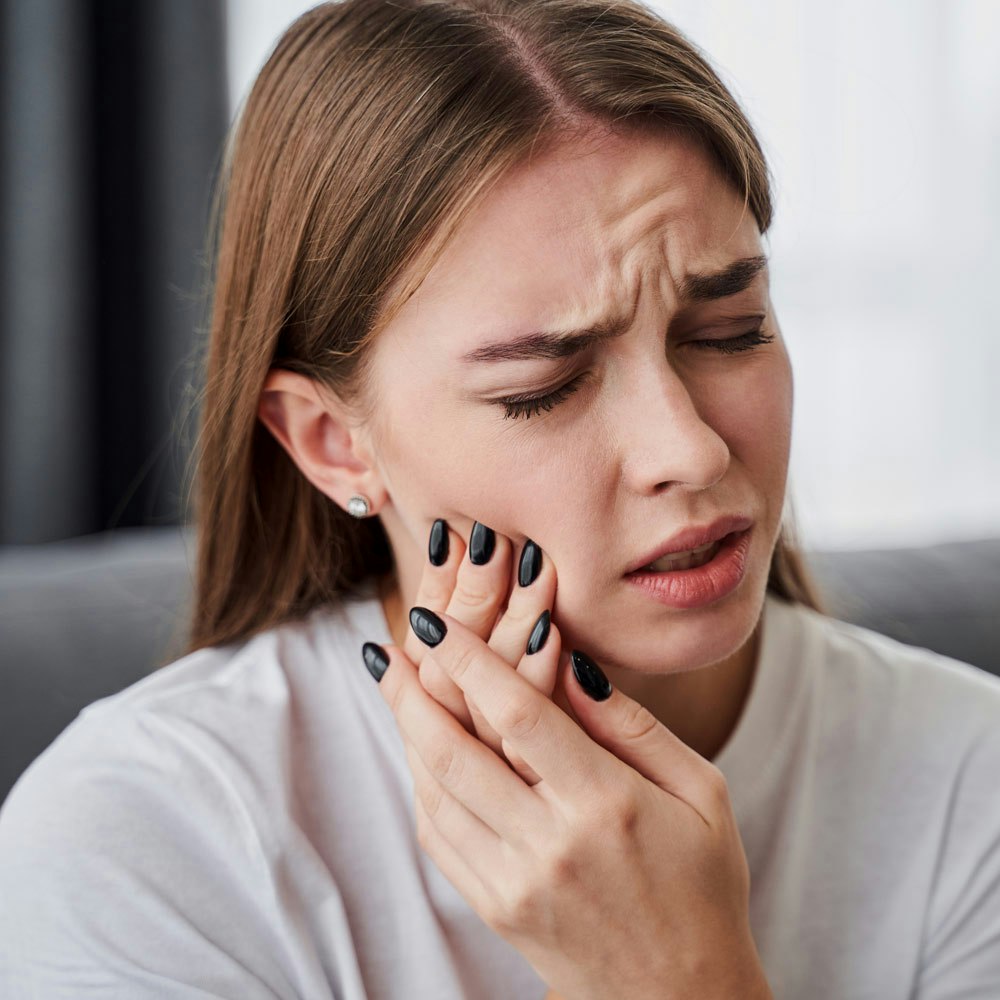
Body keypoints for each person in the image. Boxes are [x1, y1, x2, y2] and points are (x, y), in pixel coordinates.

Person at [1, 0, 998, 996]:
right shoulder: (142, 838)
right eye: (543, 388)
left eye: (731, 328)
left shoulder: (969, 782)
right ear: (333, 443)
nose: (688, 449)